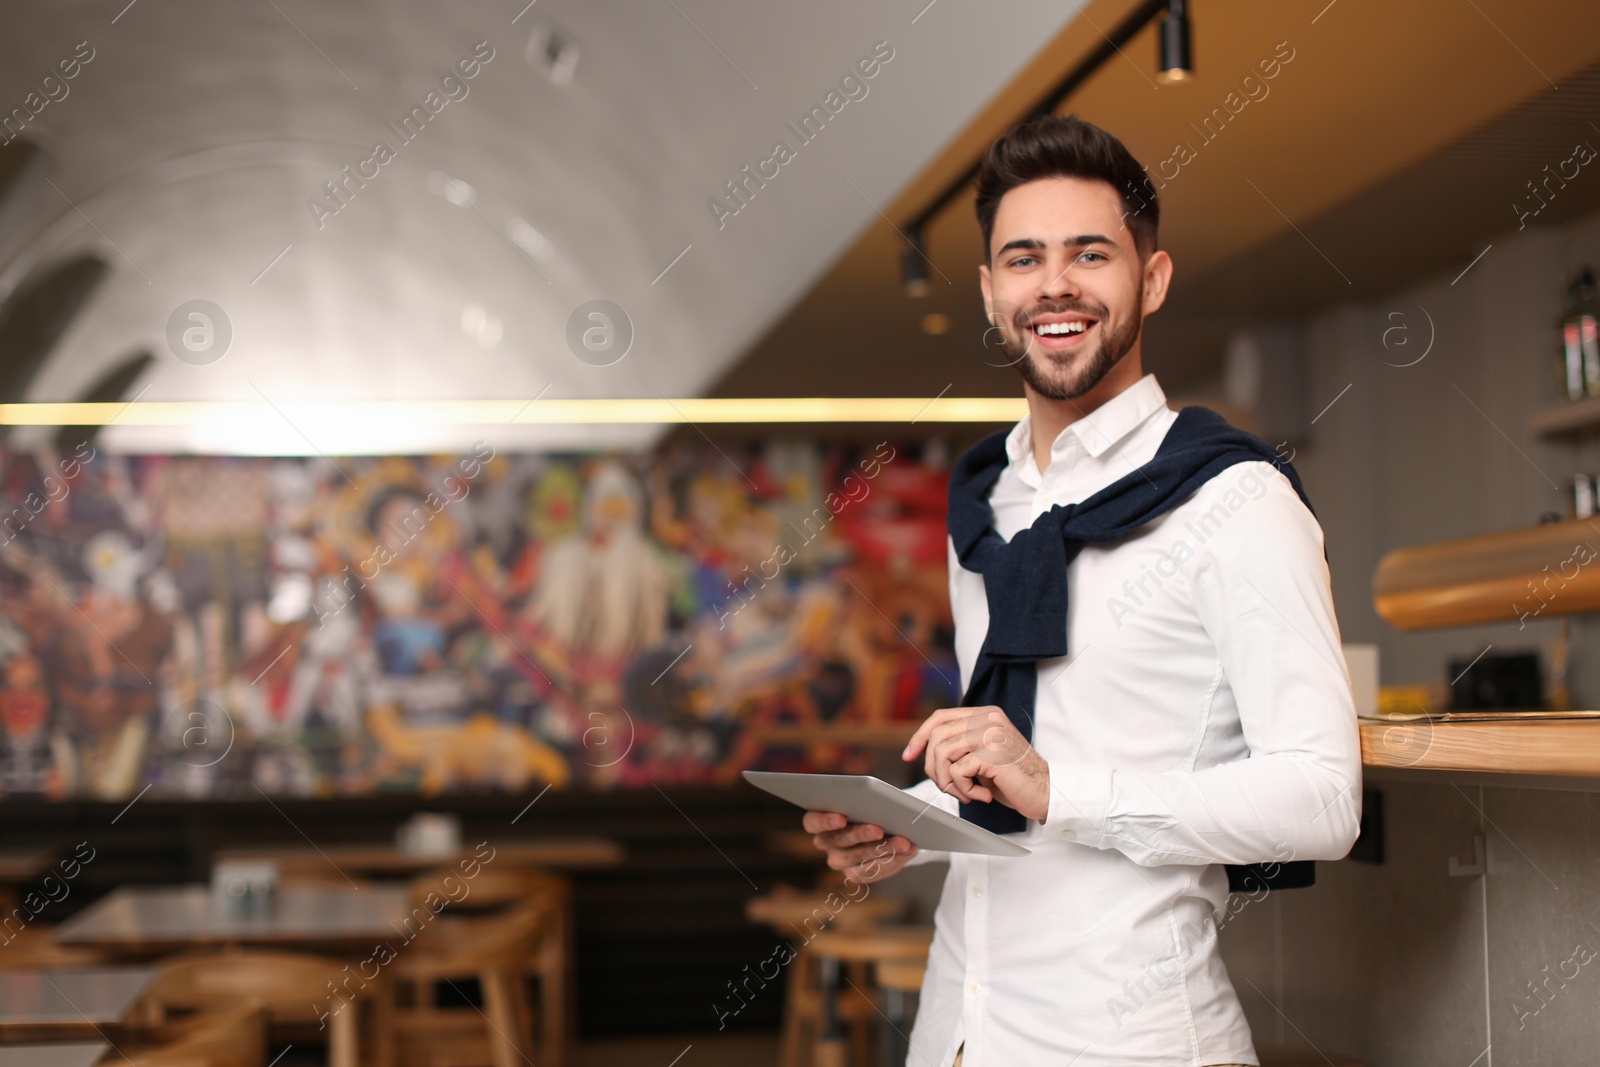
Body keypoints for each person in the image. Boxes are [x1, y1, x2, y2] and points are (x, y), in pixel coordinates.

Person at [802, 115, 1361, 1067]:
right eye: (1023, 259)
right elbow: (1019, 783)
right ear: (989, 292)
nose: (1053, 283)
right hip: (958, 1032)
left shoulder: (1236, 497)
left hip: (1130, 1040)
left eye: (1088, 253)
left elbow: (1322, 797)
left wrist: (1065, 791)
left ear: (1150, 278)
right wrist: (910, 825)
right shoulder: (987, 502)